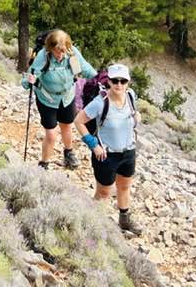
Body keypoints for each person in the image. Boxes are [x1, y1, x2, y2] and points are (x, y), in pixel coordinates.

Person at [73, 62, 142, 235]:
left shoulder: (131, 96)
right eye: (115, 80)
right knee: (104, 192)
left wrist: (136, 117)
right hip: (106, 154)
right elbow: (79, 121)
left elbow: (133, 116)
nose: (119, 84)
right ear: (109, 81)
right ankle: (91, 223)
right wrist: (93, 144)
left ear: (128, 82)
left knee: (124, 186)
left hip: (128, 151)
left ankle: (124, 220)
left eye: (123, 81)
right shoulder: (100, 102)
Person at [23, 29, 96, 170]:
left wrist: (101, 80)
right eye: (57, 51)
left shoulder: (71, 53)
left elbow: (85, 68)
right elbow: (30, 76)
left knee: (67, 125)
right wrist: (29, 81)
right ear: (50, 48)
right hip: (47, 99)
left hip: (67, 97)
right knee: (51, 134)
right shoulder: (43, 57)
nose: (60, 55)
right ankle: (44, 163)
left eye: (63, 51)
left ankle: (69, 153)